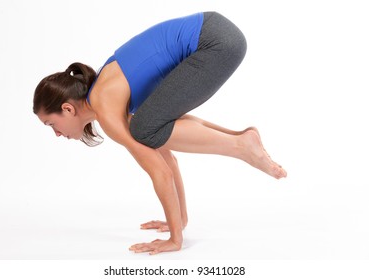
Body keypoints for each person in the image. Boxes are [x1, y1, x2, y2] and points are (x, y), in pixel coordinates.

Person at [33, 11, 287, 255]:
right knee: (148, 126)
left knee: (143, 129)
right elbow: (168, 159)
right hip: (218, 34)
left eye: (51, 124)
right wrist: (180, 220)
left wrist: (175, 240)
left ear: (67, 109)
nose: (56, 134)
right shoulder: (110, 96)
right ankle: (242, 140)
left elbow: (159, 171)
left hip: (215, 42)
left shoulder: (106, 107)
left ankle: (241, 145)